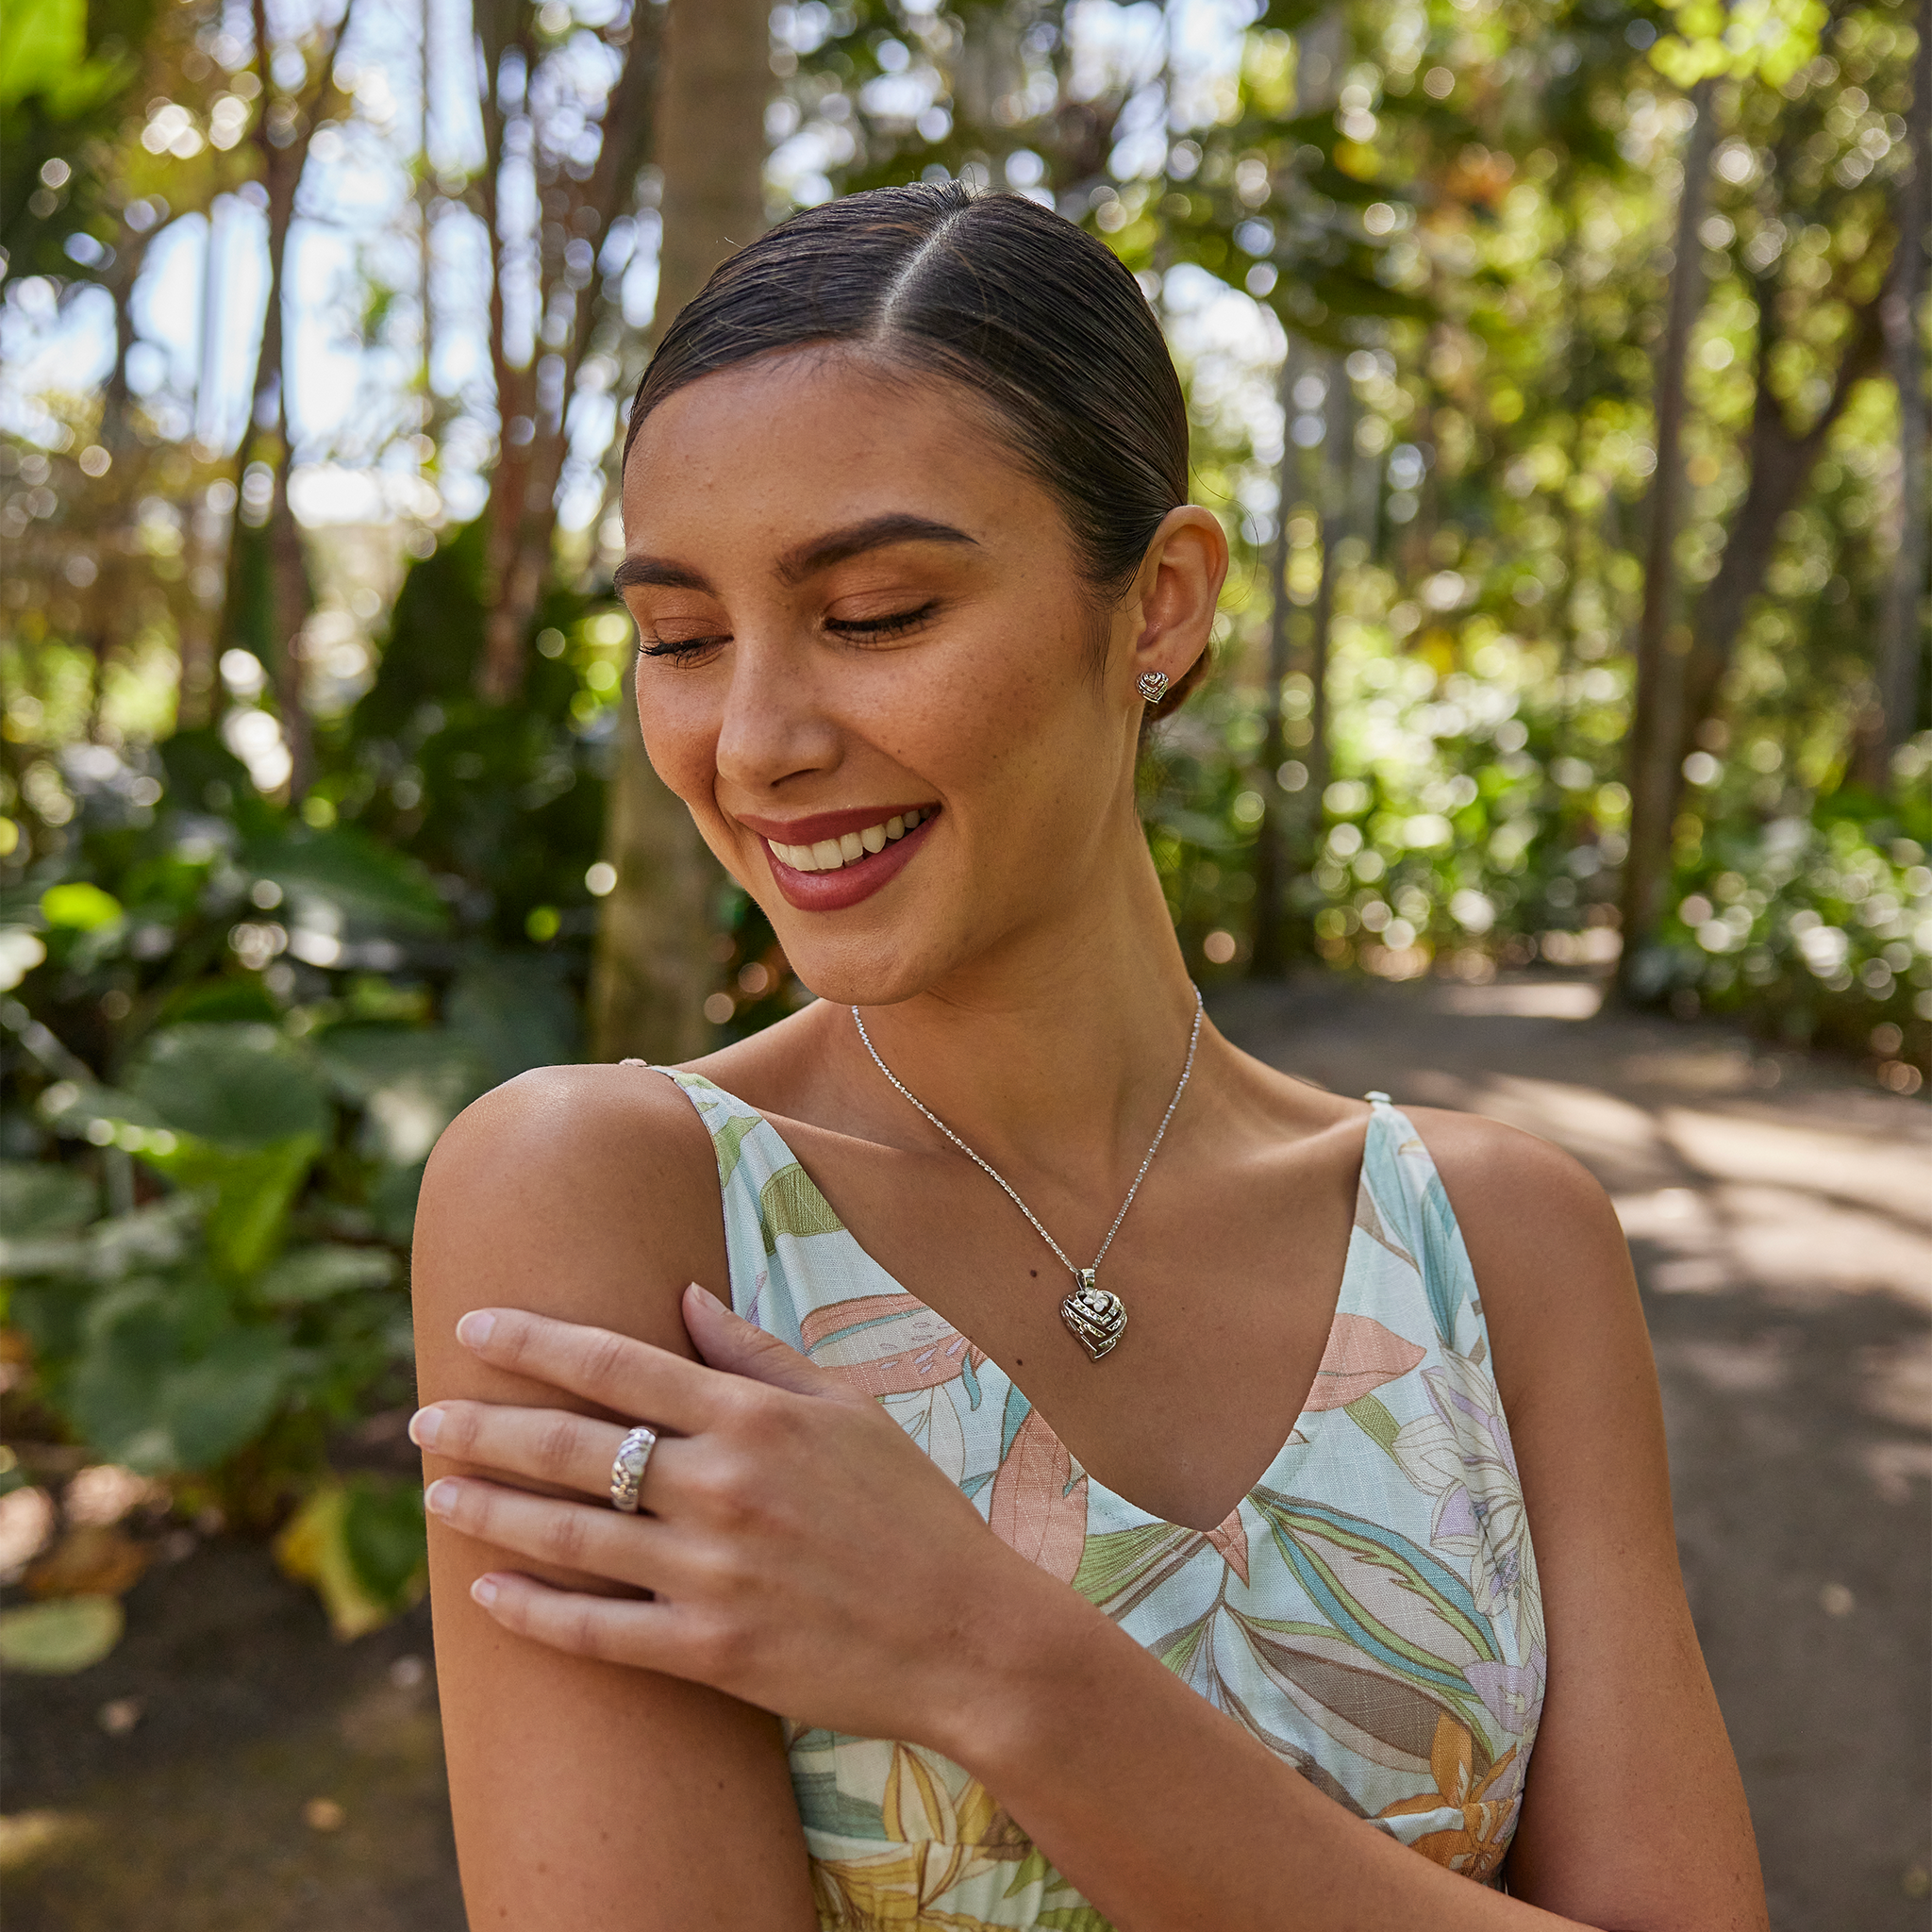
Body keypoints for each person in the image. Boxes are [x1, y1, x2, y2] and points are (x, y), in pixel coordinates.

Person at [409, 184, 1768, 1931]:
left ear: (1159, 608)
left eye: (877, 612)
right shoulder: (611, 1202)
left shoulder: (1499, 1245)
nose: (751, 740)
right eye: (679, 639)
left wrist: (995, 1662)